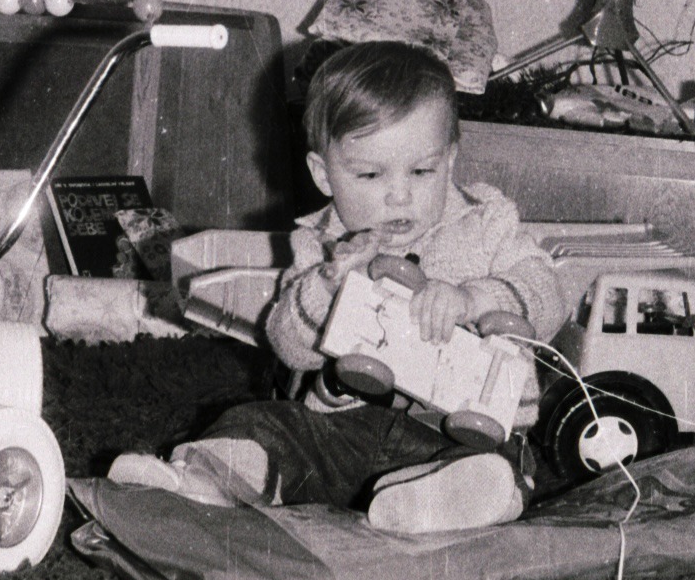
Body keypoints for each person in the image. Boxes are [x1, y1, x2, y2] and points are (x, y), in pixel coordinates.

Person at [109, 40, 564, 534]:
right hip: (342, 430)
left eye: (422, 170)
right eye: (369, 174)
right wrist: (328, 283)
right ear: (323, 175)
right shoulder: (320, 245)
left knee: (499, 466)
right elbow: (288, 344)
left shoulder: (486, 223)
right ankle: (202, 477)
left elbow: (549, 294)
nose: (399, 195)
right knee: (261, 423)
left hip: (456, 435)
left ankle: (438, 503)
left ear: (450, 160)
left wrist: (475, 298)